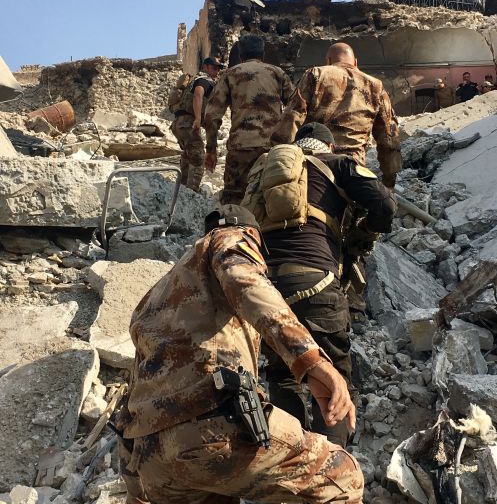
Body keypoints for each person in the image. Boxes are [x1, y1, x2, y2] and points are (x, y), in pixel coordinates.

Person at [115, 205, 363, 504]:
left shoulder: (156, 296)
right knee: (342, 475)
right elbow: (243, 279)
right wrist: (311, 361)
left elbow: (133, 396)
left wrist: (136, 489)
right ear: (251, 234)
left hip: (152, 460)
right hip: (212, 430)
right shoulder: (230, 238)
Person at [247, 123, 395, 446]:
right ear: (328, 146)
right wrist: (363, 232)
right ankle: (331, 471)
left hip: (266, 289)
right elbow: (385, 205)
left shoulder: (264, 175)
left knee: (285, 372)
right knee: (333, 379)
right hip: (318, 284)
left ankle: (290, 460)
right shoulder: (338, 163)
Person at [273, 42, 401, 189]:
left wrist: (279, 158)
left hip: (316, 166)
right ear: (355, 63)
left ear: (328, 60)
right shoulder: (376, 86)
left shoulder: (316, 74)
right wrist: (389, 180)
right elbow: (389, 137)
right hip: (354, 169)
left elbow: (292, 118)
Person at [204, 35, 294, 204]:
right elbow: (296, 108)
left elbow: (212, 115)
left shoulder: (230, 74)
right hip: (274, 150)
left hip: (241, 149)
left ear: (240, 55)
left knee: (235, 204)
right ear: (263, 53)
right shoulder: (277, 73)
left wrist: (211, 149)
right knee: (273, 200)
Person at [170, 57, 223, 191]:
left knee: (188, 155)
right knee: (198, 157)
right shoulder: (205, 80)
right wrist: (198, 119)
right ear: (205, 67)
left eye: (219, 68)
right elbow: (198, 94)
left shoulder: (194, 80)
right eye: (214, 67)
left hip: (179, 123)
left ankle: (182, 190)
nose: (217, 71)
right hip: (188, 123)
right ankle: (191, 193)